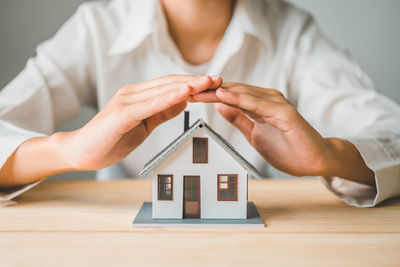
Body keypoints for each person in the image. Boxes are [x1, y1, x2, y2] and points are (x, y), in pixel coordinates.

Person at [0, 0, 399, 207]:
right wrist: (72, 150)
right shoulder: (95, 30)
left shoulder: (292, 33)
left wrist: (331, 156)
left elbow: (392, 134)